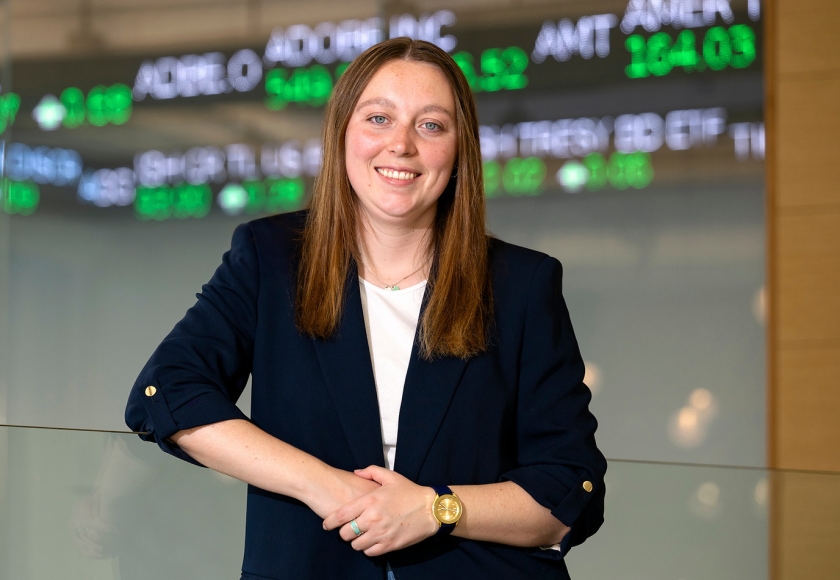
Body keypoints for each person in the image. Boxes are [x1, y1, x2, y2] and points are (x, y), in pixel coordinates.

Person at [125, 37, 605, 579]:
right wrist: (328, 487)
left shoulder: (522, 284)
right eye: (378, 118)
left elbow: (570, 491)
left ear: (459, 147)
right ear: (342, 134)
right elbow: (166, 393)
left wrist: (433, 510)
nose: (400, 145)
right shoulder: (270, 258)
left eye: (431, 125)